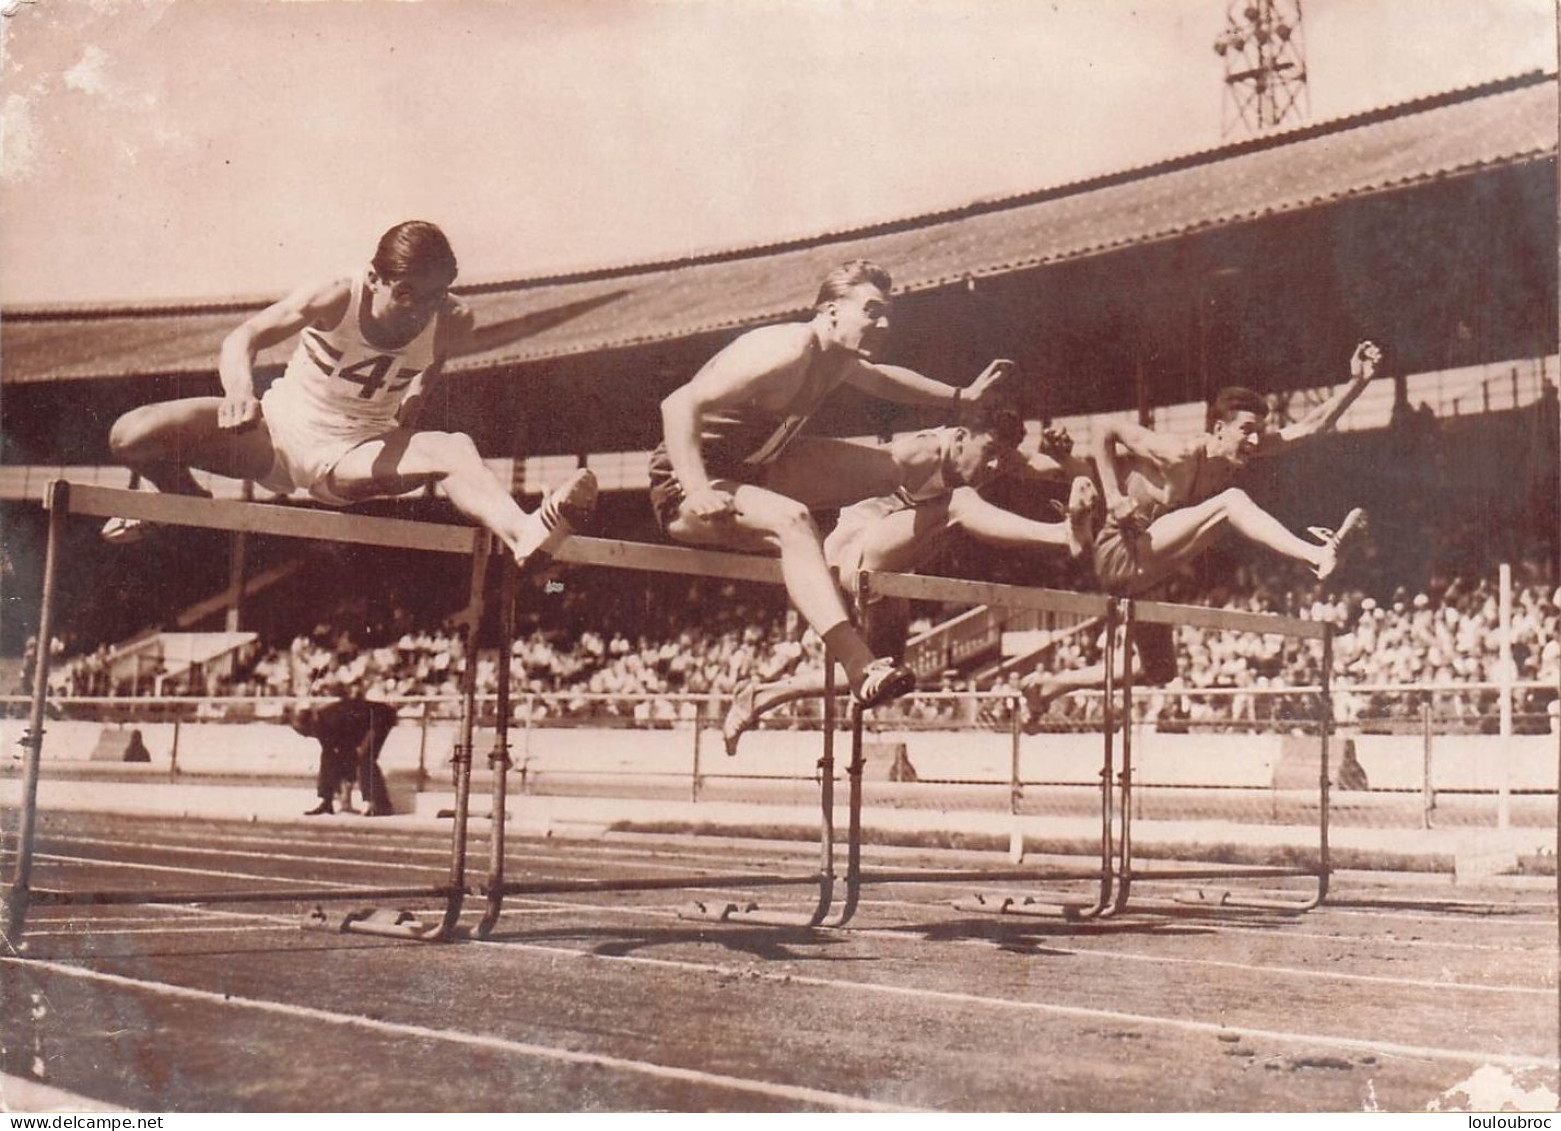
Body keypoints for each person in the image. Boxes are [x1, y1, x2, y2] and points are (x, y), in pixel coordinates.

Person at [105, 221, 596, 567]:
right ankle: (181, 498)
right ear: (376, 277)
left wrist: (413, 406)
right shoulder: (337, 295)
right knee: (131, 434)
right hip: (274, 435)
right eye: (406, 294)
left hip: (355, 454)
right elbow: (244, 337)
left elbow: (434, 361)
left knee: (454, 447)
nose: (418, 310)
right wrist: (238, 391)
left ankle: (526, 534)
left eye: (434, 296)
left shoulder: (451, 319)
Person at [652, 259, 1010, 709]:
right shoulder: (784, 350)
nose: (882, 324)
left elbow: (884, 380)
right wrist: (697, 486)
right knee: (795, 521)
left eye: (887, 316)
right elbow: (678, 404)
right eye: (872, 310)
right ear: (831, 309)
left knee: (906, 460)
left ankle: (877, 559)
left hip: (762, 465)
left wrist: (961, 397)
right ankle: (859, 665)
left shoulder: (839, 357)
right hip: (687, 480)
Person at [1019, 340, 1383, 728]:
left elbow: (1312, 426)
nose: (1256, 442)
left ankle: (1049, 688)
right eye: (1247, 431)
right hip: (1121, 550)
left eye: (1259, 432)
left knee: (1158, 671)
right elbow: (1104, 428)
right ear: (1218, 428)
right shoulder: (1177, 453)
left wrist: (1357, 383)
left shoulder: (1239, 450)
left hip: (1152, 567)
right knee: (1231, 502)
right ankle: (1315, 554)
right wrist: (1113, 496)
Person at [721, 408, 1098, 754]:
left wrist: (1066, 458)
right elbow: (821, 479)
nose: (994, 465)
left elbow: (1071, 472)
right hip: (854, 552)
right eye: (989, 453)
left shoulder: (992, 456)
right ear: (961, 436)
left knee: (885, 673)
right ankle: (1060, 535)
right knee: (959, 504)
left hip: (890, 565)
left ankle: (762, 695)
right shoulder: (923, 452)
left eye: (1002, 457)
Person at [291, 694, 400, 817]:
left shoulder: (331, 720)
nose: (309, 736)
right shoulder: (320, 725)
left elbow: (349, 753)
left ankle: (380, 805)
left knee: (366, 758)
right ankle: (326, 802)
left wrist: (346, 787)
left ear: (312, 722)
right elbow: (330, 756)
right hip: (361, 722)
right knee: (328, 758)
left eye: (307, 732)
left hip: (381, 716)